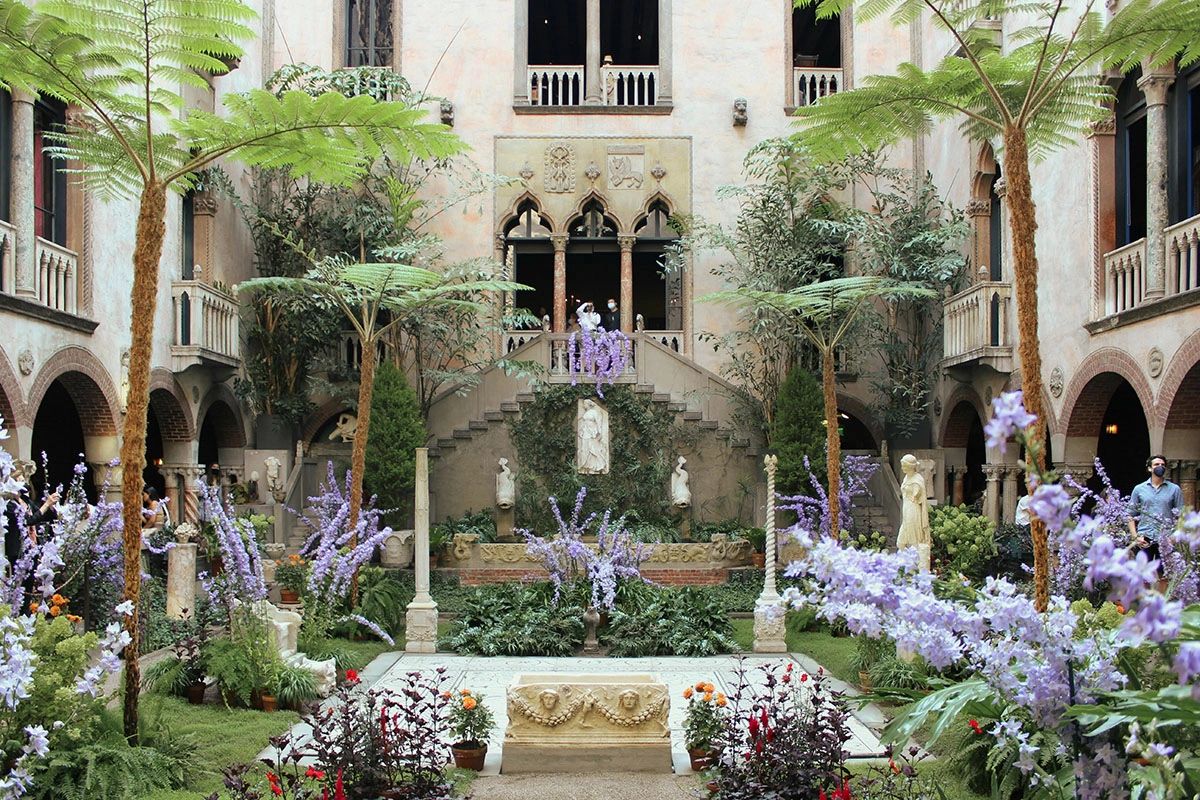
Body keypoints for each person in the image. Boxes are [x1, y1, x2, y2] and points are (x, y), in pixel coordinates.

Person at [1127, 454, 1182, 593]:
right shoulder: (1139, 489)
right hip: (1144, 537)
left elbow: (1181, 516)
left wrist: (1174, 536)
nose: (1160, 467)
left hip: (1166, 538)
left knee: (1164, 574)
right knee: (1143, 574)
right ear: (1149, 468)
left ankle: (1162, 602)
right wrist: (1135, 536)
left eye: (1162, 465)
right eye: (1157, 464)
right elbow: (1130, 515)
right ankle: (1145, 602)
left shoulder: (1174, 489)